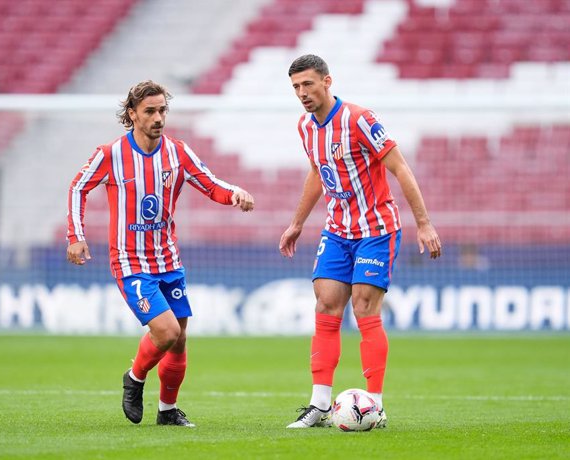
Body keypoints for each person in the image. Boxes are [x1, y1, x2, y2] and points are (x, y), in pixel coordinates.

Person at [66, 80, 254, 427]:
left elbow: (210, 183)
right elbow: (79, 187)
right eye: (150, 111)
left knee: (179, 341)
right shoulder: (110, 154)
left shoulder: (177, 152)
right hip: (130, 262)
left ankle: (167, 411)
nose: (158, 118)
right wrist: (76, 235)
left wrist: (235, 194)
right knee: (166, 332)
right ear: (132, 114)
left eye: (162, 110)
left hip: (168, 260)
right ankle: (135, 378)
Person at [279, 55, 442, 428]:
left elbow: (400, 167)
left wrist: (424, 224)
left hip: (376, 228)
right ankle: (320, 405)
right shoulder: (306, 128)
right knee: (326, 305)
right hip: (337, 230)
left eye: (308, 84)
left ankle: (376, 405)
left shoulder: (359, 119)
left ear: (327, 81)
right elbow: (318, 175)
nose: (302, 93)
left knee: (364, 306)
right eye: (296, 87)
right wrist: (297, 223)